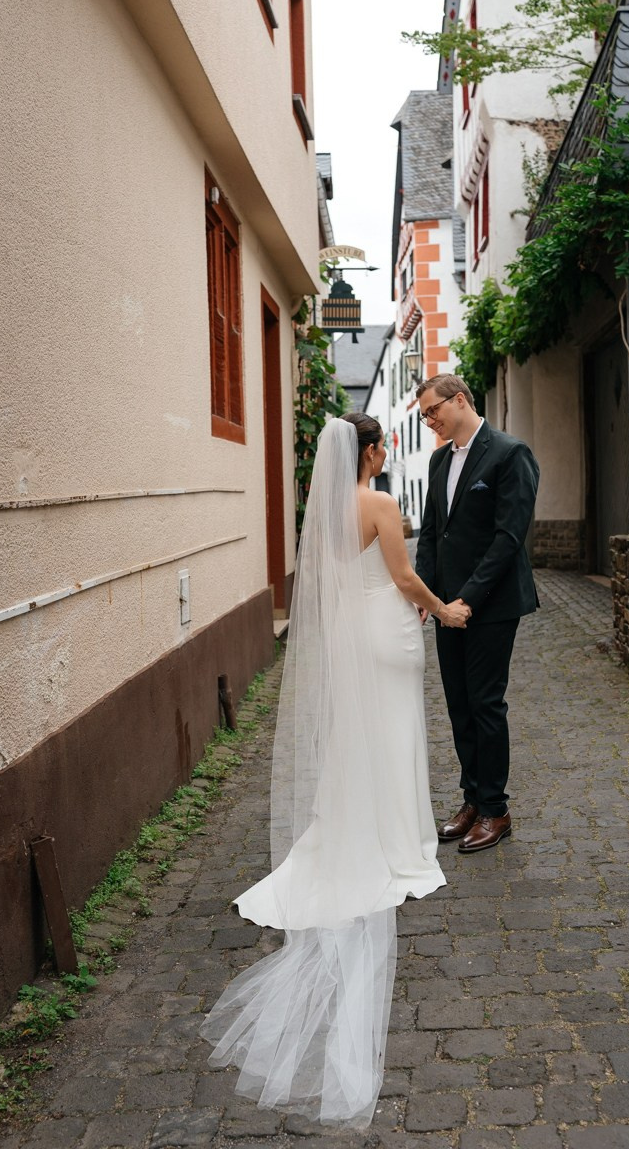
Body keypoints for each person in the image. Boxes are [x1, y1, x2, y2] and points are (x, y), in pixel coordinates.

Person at [201, 414, 460, 1128]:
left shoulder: (323, 512)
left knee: (357, 735)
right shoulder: (379, 504)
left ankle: (358, 822)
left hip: (350, 633)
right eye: (383, 447)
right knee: (398, 732)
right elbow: (404, 576)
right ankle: (399, 837)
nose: (385, 455)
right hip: (386, 629)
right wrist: (447, 610)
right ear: (372, 451)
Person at [415, 374, 540, 854]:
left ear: (460, 400)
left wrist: (468, 597)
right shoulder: (438, 460)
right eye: (425, 415)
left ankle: (495, 810)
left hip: (490, 605)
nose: (429, 421)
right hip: (446, 605)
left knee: (487, 704)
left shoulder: (510, 454)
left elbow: (509, 537)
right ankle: (471, 800)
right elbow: (432, 534)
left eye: (432, 411)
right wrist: (428, 597)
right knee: (459, 705)